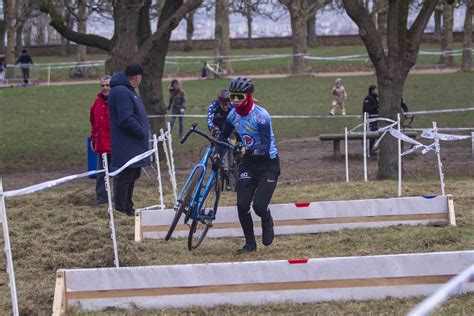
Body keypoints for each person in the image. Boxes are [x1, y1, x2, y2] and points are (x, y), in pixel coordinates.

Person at [215, 77, 280, 254]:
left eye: (239, 96)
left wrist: (247, 150)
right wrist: (217, 153)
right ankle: (250, 244)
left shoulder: (261, 116)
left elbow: (266, 148)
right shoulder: (233, 115)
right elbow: (222, 137)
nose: (235, 101)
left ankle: (267, 219)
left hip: (268, 164)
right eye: (233, 96)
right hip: (248, 164)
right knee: (242, 205)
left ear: (248, 96)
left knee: (258, 206)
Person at [108, 63, 150, 216]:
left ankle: (128, 206)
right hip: (127, 144)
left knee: (133, 174)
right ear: (137, 77)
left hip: (133, 144)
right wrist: (141, 132)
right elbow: (125, 119)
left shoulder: (127, 90)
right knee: (126, 176)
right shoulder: (121, 92)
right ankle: (121, 208)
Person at [89, 75, 112, 205]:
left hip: (115, 145)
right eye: (103, 85)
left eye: (108, 85)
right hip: (101, 146)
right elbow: (93, 123)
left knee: (117, 175)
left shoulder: (116, 102)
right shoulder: (96, 104)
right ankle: (101, 200)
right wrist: (93, 139)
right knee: (101, 175)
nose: (105, 88)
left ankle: (117, 200)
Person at [362, 85, 379, 155]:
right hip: (370, 120)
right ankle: (369, 149)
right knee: (372, 135)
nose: (377, 91)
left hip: (376, 119)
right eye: (376, 90)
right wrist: (377, 105)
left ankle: (371, 149)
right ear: (372, 91)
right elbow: (367, 108)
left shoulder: (375, 99)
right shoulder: (368, 98)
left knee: (374, 134)